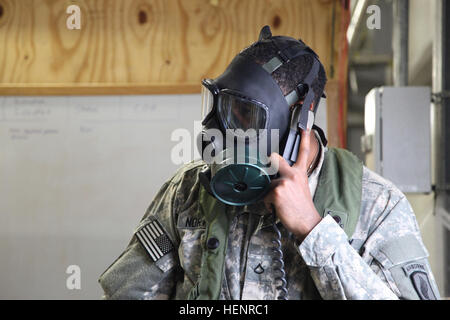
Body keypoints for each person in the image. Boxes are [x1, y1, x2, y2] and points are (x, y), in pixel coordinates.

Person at [98, 26, 440, 300]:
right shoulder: (187, 191)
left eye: (242, 114)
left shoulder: (377, 205)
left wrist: (312, 229)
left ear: (296, 125)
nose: (217, 129)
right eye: (218, 109)